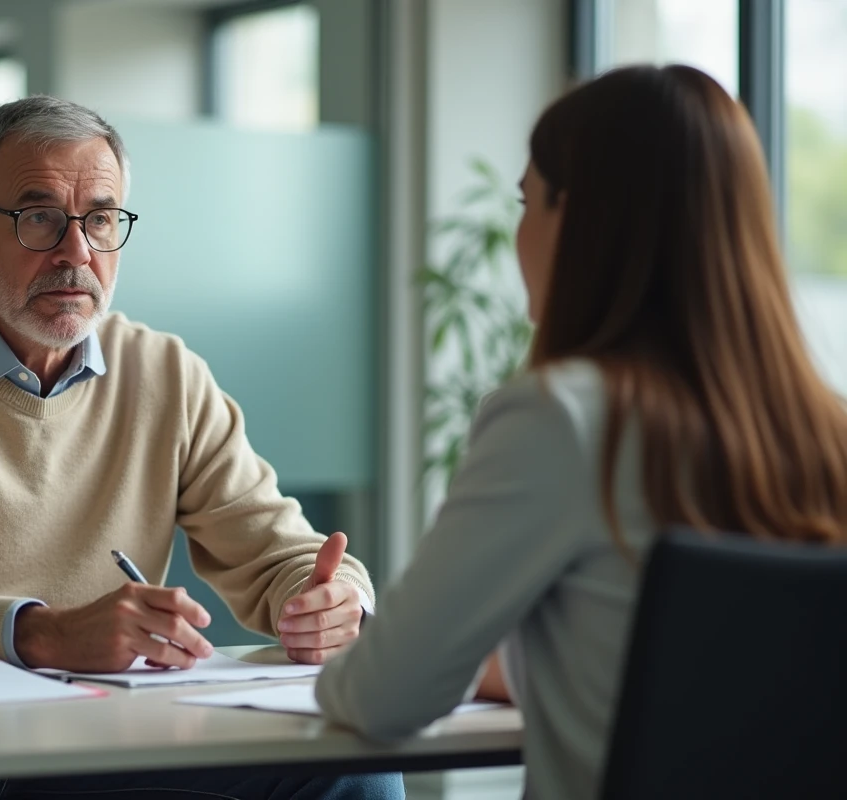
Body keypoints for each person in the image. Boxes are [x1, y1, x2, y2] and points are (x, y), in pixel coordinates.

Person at [0, 95, 403, 800]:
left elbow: (284, 556)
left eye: (100, 220)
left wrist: (332, 603)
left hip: (95, 740)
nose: (77, 254)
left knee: (360, 764)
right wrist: (40, 634)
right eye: (39, 218)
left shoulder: (166, 374)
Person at [315, 63, 847, 800]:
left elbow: (381, 699)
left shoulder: (558, 418)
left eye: (528, 200)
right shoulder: (828, 433)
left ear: (582, 219)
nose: (518, 234)